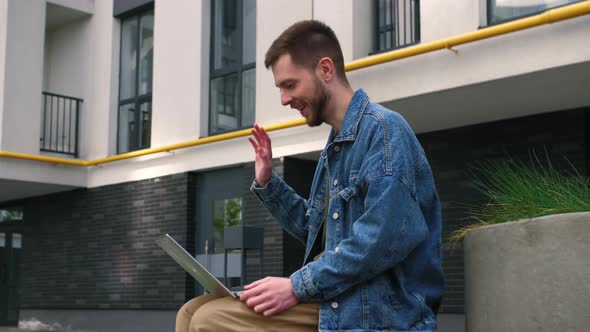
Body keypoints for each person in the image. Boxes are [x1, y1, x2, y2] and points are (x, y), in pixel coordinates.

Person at [176, 20, 444, 332]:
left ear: (325, 70)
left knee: (210, 320)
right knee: (191, 310)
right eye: (280, 89)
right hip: (339, 296)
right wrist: (268, 183)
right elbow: (315, 229)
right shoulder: (336, 144)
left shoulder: (384, 132)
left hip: (376, 310)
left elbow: (379, 241)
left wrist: (294, 286)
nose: (284, 100)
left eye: (289, 85)